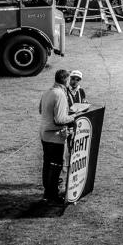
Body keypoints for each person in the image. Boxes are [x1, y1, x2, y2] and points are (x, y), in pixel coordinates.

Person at [37, 69, 73, 204]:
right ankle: (53, 194)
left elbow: (41, 110)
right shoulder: (60, 94)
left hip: (44, 134)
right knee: (56, 165)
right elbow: (59, 120)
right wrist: (74, 116)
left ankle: (47, 193)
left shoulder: (47, 92)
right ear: (66, 80)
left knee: (47, 163)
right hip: (55, 136)